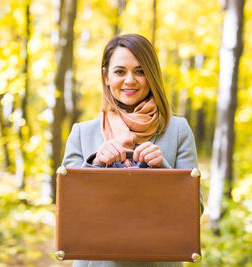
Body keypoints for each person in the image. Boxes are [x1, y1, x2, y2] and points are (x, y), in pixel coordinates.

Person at [61, 33, 202, 267]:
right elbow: (69, 214)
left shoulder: (178, 130)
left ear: (152, 75)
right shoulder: (82, 133)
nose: (130, 80)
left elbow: (193, 211)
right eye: (120, 71)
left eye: (140, 71)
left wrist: (163, 171)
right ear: (106, 76)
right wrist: (94, 166)